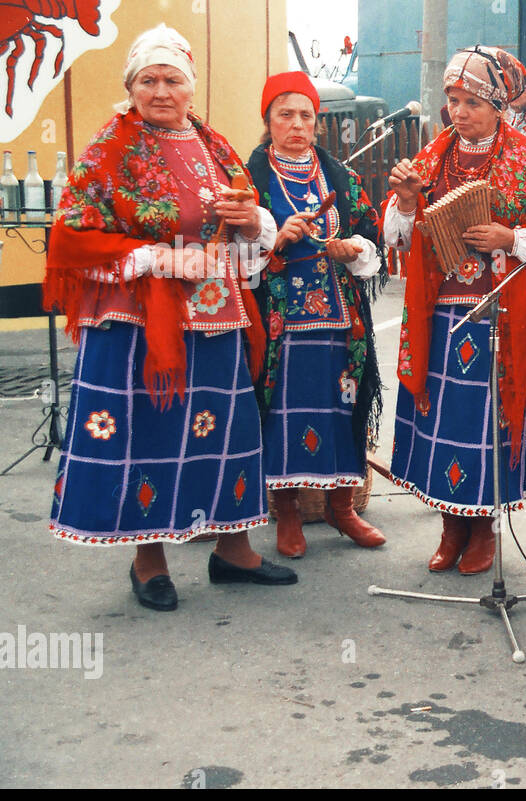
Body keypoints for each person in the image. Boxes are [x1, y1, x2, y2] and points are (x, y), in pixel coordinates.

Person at [44, 24, 295, 612]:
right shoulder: (110, 148)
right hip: (137, 322)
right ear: (130, 87)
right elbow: (72, 236)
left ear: (191, 88)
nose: (161, 91)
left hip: (213, 312)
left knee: (227, 431)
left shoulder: (215, 146)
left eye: (172, 80)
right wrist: (160, 257)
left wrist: (251, 218)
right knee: (146, 434)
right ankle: (148, 560)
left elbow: (249, 232)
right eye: (148, 80)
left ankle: (234, 551)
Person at [384, 47, 526, 574]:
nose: (459, 111)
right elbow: (396, 238)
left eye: (472, 101)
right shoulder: (432, 157)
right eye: (453, 100)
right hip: (444, 314)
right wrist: (405, 201)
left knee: (489, 423)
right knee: (450, 419)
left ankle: (486, 529)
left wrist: (510, 237)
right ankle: (451, 527)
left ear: (497, 104)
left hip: (507, 315)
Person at [246, 72, 386, 558]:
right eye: (285, 114)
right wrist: (275, 238)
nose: (297, 124)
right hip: (281, 323)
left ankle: (341, 507)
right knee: (283, 409)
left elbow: (375, 237)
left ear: (317, 123)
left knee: (342, 406)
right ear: (267, 120)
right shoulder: (250, 178)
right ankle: (287, 514)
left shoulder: (340, 177)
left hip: (339, 320)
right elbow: (231, 253)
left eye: (306, 115)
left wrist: (355, 249)